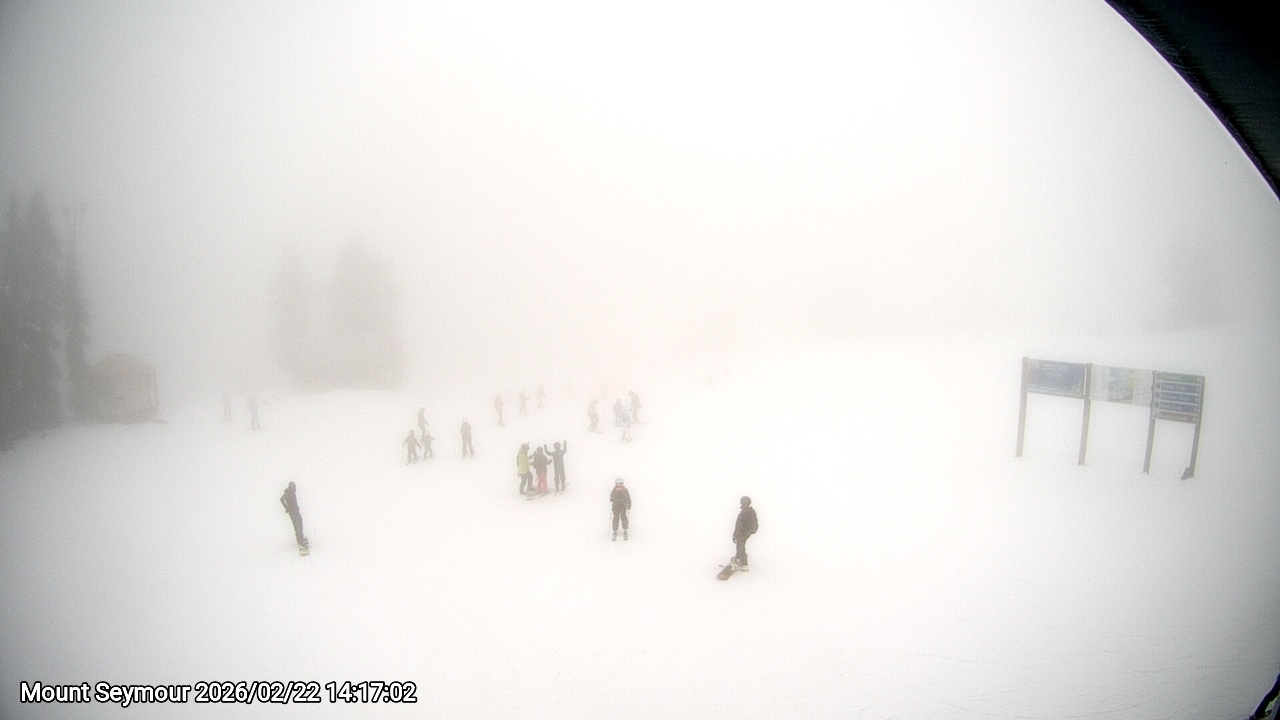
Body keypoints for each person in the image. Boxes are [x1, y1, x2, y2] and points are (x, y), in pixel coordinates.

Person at [280, 481, 309, 551]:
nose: (295, 488)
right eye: (294, 487)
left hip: (295, 510)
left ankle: (301, 538)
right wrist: (287, 508)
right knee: (297, 524)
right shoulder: (288, 492)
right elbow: (281, 499)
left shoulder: (291, 492)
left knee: (299, 523)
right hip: (293, 512)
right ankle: (300, 541)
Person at [732, 496, 758, 570]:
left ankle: (743, 564)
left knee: (740, 545)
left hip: (744, 532)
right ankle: (738, 558)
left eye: (745, 503)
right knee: (739, 545)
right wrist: (734, 534)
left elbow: (753, 525)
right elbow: (738, 525)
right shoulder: (743, 511)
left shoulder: (750, 512)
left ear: (748, 503)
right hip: (740, 532)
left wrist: (747, 532)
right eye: (742, 503)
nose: (743, 505)